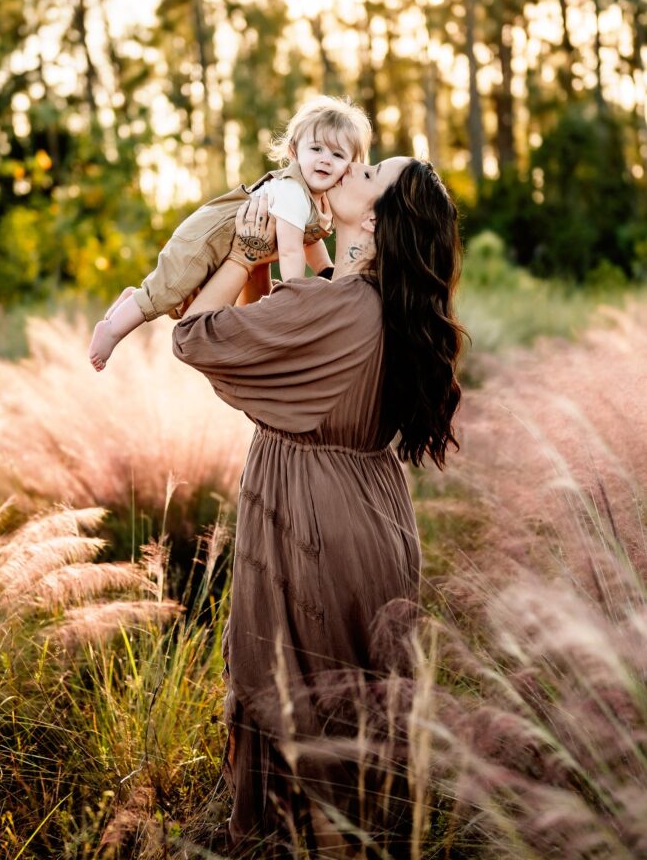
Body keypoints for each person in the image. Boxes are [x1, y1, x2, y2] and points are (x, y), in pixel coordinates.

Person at [171, 156, 465, 858]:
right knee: (359, 701)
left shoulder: (334, 302)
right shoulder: (384, 303)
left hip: (306, 519)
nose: (350, 168)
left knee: (296, 698)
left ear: (375, 219)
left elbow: (195, 336)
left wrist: (243, 253)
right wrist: (275, 263)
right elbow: (281, 334)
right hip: (377, 518)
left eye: (369, 173)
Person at [88, 95, 372, 371]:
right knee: (170, 289)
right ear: (294, 152)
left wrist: (325, 269)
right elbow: (290, 249)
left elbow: (309, 239)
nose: (325, 160)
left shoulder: (320, 199)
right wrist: (295, 290)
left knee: (181, 299)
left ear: (351, 165)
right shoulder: (293, 192)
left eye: (337, 154)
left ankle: (133, 299)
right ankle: (112, 331)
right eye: (317, 149)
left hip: (224, 242)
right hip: (208, 236)